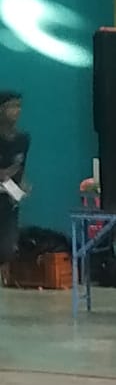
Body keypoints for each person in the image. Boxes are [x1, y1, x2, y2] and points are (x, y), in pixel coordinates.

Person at [0, 91, 30, 265]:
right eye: (12, 106)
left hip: (9, 205)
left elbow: (20, 170)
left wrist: (22, 186)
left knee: (7, 250)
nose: (17, 111)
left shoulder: (23, 140)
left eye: (19, 106)